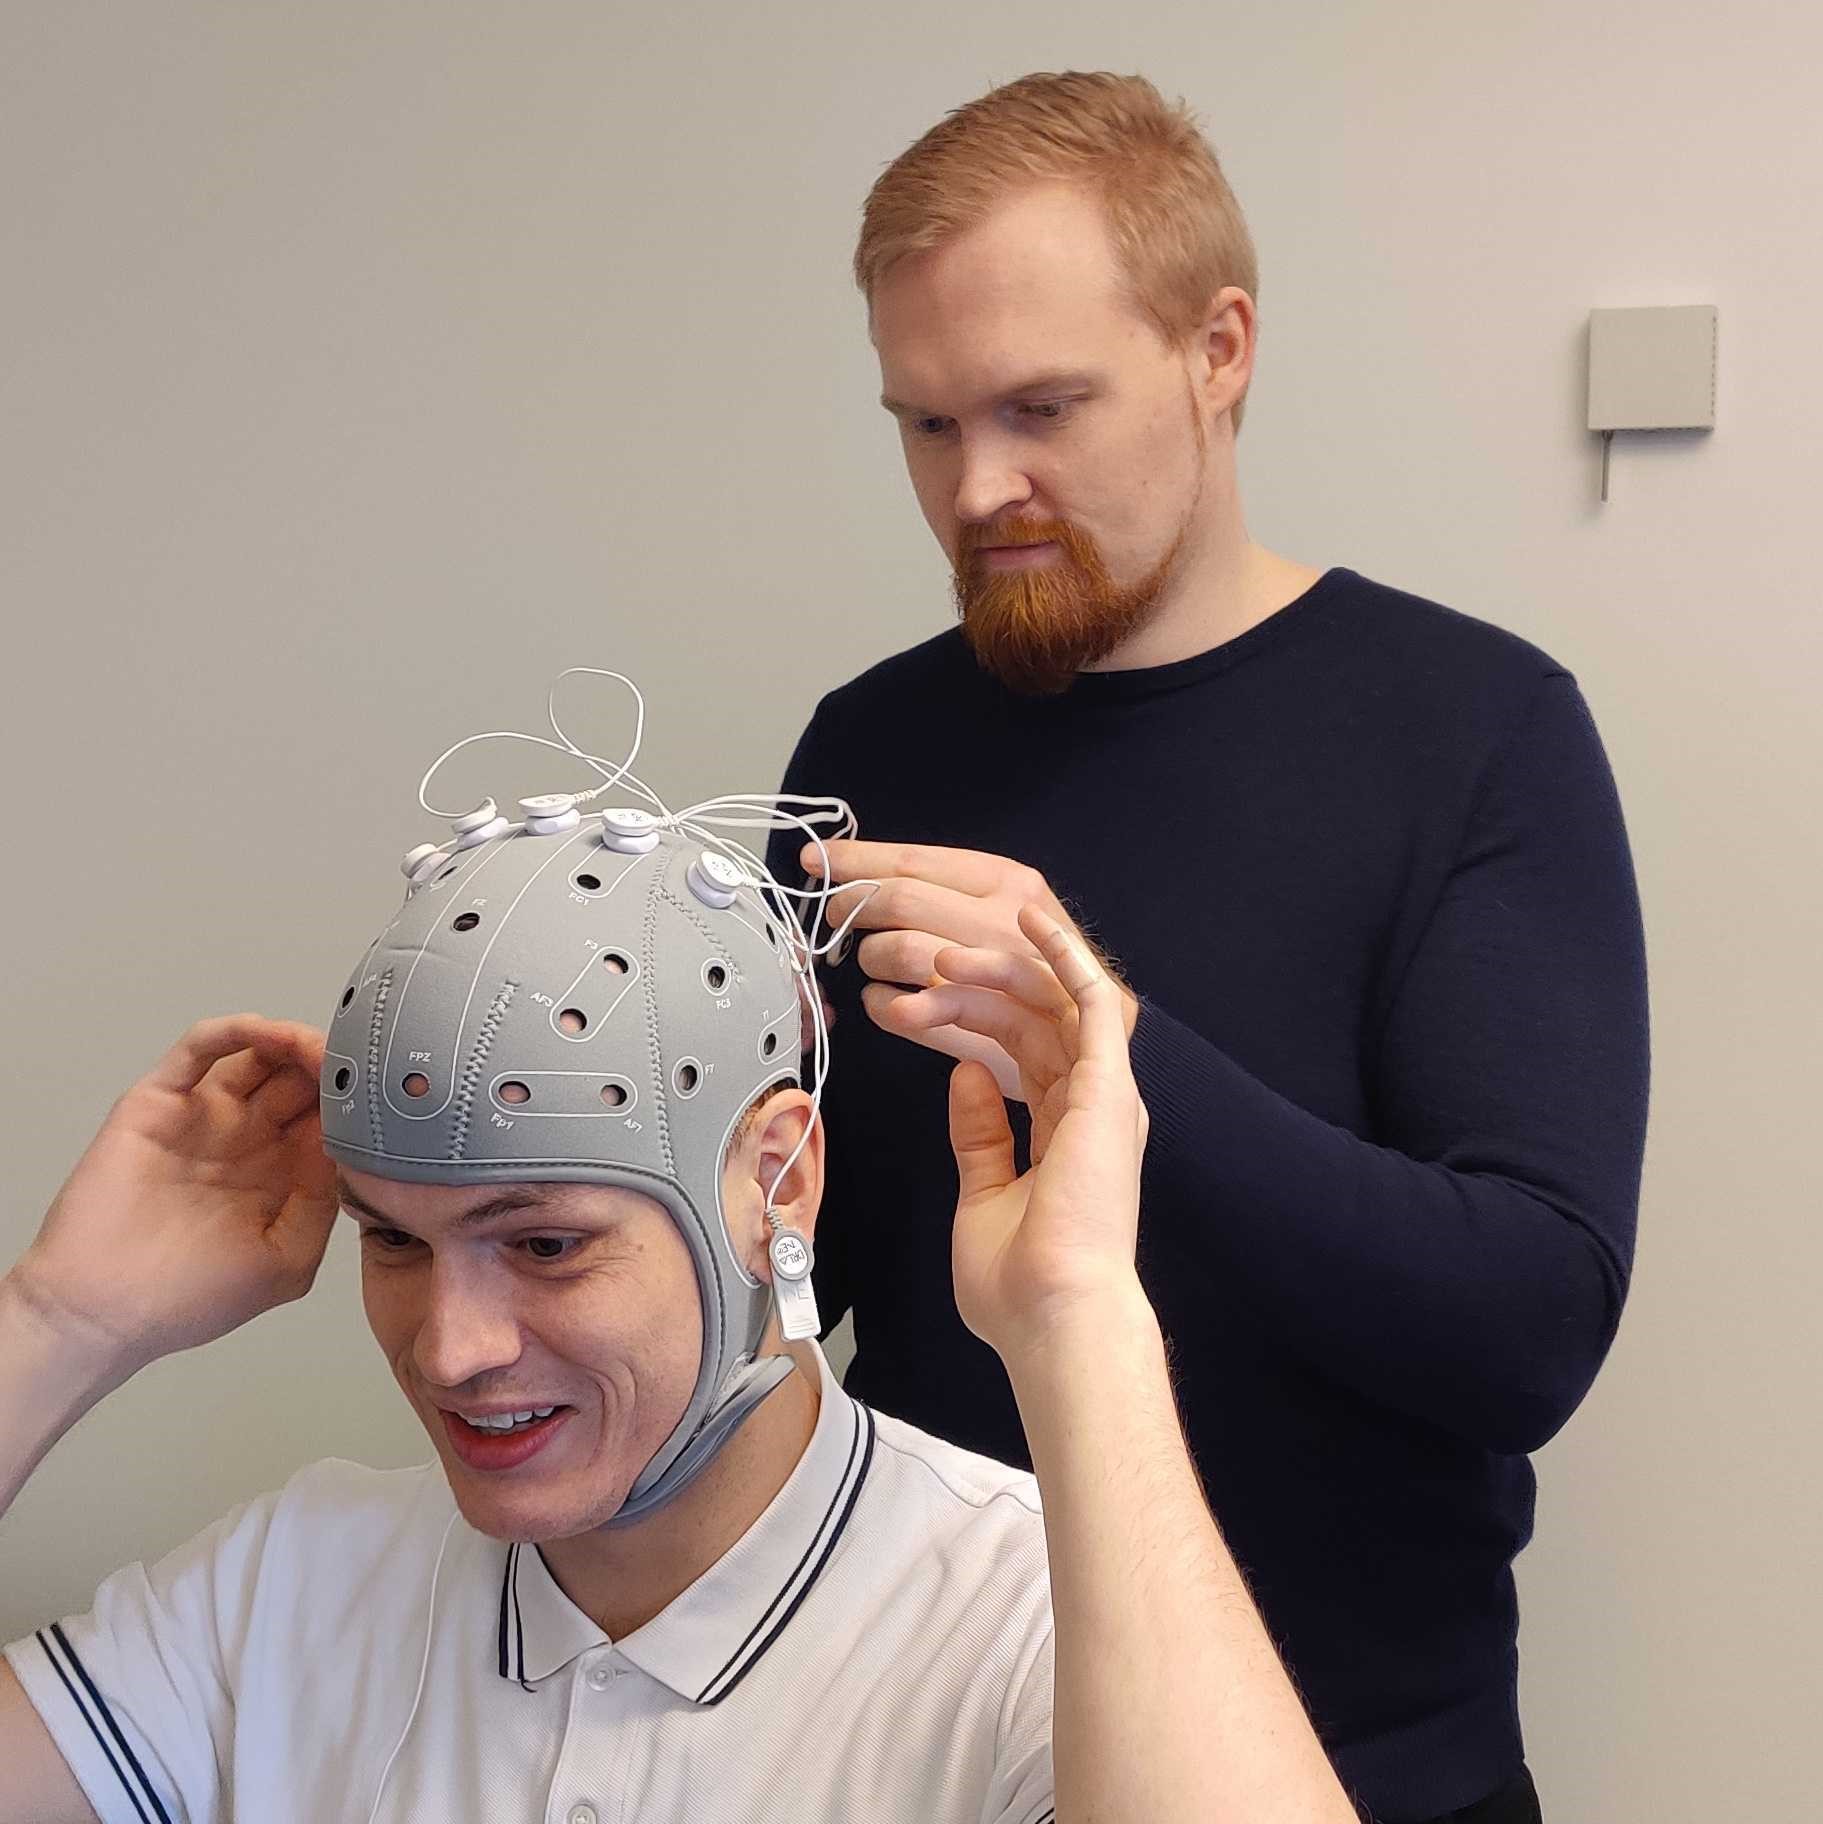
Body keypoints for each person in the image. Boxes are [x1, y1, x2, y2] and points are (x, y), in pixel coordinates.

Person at [766, 71, 1649, 1824]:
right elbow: (788, 1276)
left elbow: (1528, 1330)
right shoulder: (864, 751)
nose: (979, 487)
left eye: (1040, 407)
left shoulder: (1475, 732)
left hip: (1361, 1776)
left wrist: (1105, 1045)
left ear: (1217, 350)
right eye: (927, 425)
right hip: (920, 1763)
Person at [0, 749, 1357, 1823]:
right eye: (395, 1241)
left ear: (779, 1180)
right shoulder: (291, 1591)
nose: (450, 1350)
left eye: (545, 1245)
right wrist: (56, 1323)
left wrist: (1082, 1324)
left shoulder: (1032, 1628)